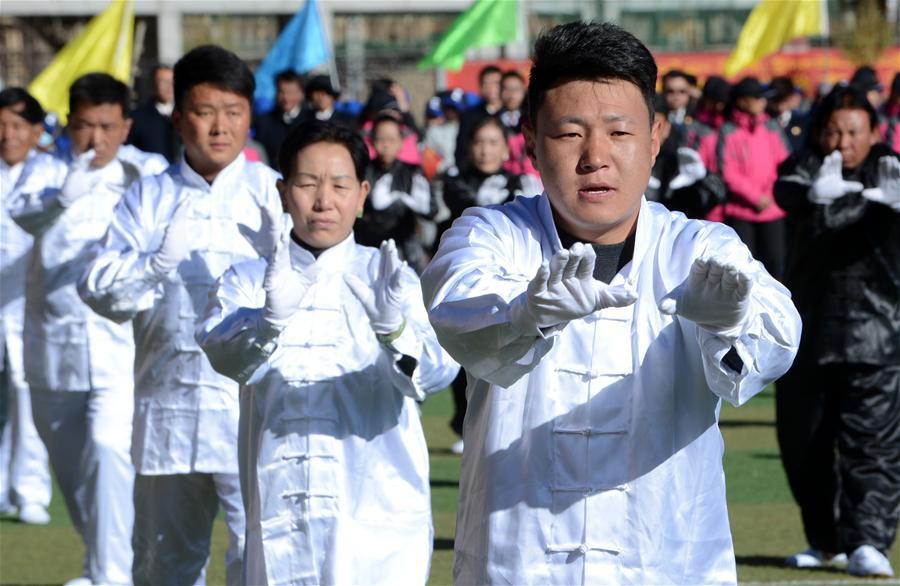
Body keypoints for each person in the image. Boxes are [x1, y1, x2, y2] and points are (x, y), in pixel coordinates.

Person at [420, 21, 801, 584]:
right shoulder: (490, 235)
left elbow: (779, 331)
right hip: (519, 560)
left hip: (665, 559)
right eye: (569, 133)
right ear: (528, 140)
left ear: (655, 138)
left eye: (619, 133)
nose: (595, 157)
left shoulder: (698, 246)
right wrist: (526, 313)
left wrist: (733, 321)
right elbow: (458, 311)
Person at [196, 120, 458, 585]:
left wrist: (394, 331)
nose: (323, 201)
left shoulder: (390, 278)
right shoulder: (249, 279)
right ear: (282, 191)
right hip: (281, 510)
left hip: (377, 514)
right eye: (307, 183)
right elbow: (223, 356)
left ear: (362, 194)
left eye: (339, 185)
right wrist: (266, 321)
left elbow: (435, 374)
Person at [79, 45, 281, 586]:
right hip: (168, 410)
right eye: (205, 110)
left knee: (261, 560)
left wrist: (282, 263)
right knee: (163, 566)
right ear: (178, 115)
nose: (220, 126)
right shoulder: (148, 197)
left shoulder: (275, 193)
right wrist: (153, 265)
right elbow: (96, 287)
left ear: (248, 116)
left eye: (233, 111)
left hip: (257, 415)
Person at [8, 73, 151, 586]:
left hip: (120, 349)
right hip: (53, 349)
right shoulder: (44, 172)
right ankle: (105, 563)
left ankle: (111, 577)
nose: (96, 138)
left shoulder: (145, 174)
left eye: (107, 126)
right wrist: (62, 198)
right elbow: (22, 216)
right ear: (69, 124)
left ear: (125, 125)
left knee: (110, 449)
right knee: (74, 477)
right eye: (85, 125)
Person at [774, 84, 900, 578]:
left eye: (853, 131)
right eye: (834, 130)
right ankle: (824, 541)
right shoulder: (807, 166)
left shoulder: (889, 170)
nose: (843, 141)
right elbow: (783, 190)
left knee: (872, 445)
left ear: (874, 132)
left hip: (877, 331)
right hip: (809, 331)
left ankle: (868, 540)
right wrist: (809, 194)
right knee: (803, 444)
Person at [0, 87, 55, 527]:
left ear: (37, 130)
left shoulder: (51, 175)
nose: (7, 134)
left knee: (25, 396)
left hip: (28, 305)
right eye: (1, 125)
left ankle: (30, 489)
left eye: (16, 125)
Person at [717, 77, 791, 281]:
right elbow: (728, 173)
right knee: (743, 269)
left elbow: (784, 163)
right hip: (741, 212)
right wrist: (755, 197)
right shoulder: (728, 131)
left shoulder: (771, 127)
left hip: (772, 209)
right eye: (757, 98)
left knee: (775, 266)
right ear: (742, 101)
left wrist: (770, 195)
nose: (762, 102)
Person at [355, 112, 435, 274]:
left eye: (391, 139)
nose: (386, 145)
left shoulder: (412, 172)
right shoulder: (363, 170)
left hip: (406, 247)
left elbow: (431, 211)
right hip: (369, 244)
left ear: (401, 142)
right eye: (380, 139)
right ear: (371, 141)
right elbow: (355, 212)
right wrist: (367, 207)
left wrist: (423, 206)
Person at [252, 69, 307, 169]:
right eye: (281, 92)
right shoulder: (263, 123)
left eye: (290, 92)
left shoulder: (311, 121)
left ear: (301, 94)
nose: (285, 98)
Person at [128, 64, 180, 163]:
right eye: (163, 81)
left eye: (172, 81)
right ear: (153, 84)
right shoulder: (138, 117)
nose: (169, 86)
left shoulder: (186, 115)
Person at [455, 64, 503, 168]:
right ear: (481, 86)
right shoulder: (469, 116)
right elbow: (462, 148)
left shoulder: (511, 115)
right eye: (486, 83)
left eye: (495, 83)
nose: (491, 88)